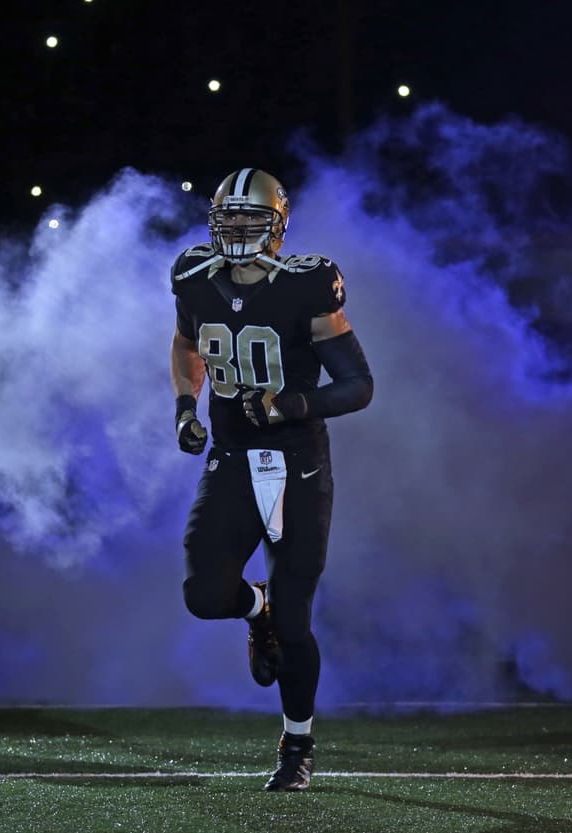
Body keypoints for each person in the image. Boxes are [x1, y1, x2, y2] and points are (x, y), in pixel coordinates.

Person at [169, 168, 374, 791]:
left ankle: (297, 743)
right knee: (205, 594)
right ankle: (254, 606)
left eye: (249, 218)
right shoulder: (193, 277)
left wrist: (290, 405)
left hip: (297, 462)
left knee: (295, 620)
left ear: (278, 226)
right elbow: (186, 345)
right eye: (227, 217)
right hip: (232, 456)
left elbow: (358, 385)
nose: (236, 229)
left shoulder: (306, 285)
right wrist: (185, 407)